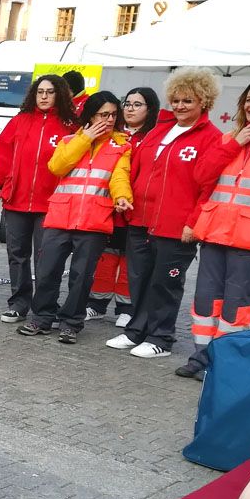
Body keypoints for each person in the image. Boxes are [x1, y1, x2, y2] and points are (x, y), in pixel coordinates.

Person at [105, 70, 221, 360]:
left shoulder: (211, 137)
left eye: (188, 101)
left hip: (175, 225)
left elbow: (208, 187)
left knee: (165, 283)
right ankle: (136, 331)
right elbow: (136, 169)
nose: (180, 106)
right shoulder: (159, 129)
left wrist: (193, 223)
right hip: (141, 219)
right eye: (176, 100)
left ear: (204, 101)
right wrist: (124, 197)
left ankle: (161, 337)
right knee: (140, 279)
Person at [177, 79, 250, 380]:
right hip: (214, 231)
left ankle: (224, 361)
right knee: (206, 299)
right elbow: (202, 176)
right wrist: (237, 142)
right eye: (249, 98)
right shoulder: (229, 138)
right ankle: (201, 357)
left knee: (236, 304)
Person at [17, 91, 132, 344]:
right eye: (104, 114)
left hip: (94, 220)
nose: (110, 119)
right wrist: (85, 138)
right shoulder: (70, 140)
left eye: (114, 114)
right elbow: (57, 166)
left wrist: (122, 196)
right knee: (47, 271)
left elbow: (119, 176)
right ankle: (42, 318)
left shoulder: (122, 145)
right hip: (61, 216)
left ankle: (71, 323)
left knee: (82, 277)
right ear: (91, 115)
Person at [0, 74, 78, 323]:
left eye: (50, 92)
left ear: (59, 94)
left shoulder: (70, 125)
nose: (44, 96)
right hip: (16, 201)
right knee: (17, 255)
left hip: (51, 204)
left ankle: (45, 305)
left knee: (47, 258)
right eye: (40, 92)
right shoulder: (19, 122)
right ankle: (19, 303)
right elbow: (1, 160)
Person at [86, 87, 162, 326]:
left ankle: (127, 308)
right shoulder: (113, 134)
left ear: (150, 109)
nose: (130, 109)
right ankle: (96, 304)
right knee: (105, 259)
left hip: (137, 208)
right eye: (127, 104)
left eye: (137, 104)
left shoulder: (155, 138)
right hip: (108, 207)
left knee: (131, 262)